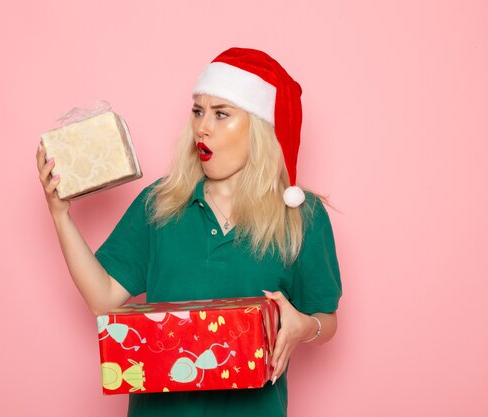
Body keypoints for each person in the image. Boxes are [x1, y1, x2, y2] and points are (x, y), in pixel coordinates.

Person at [36, 47, 342, 417]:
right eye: (198, 111)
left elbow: (326, 321)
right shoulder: (160, 203)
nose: (202, 127)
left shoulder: (301, 216)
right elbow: (103, 300)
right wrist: (60, 214)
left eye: (221, 114)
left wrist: (303, 327)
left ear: (259, 128)